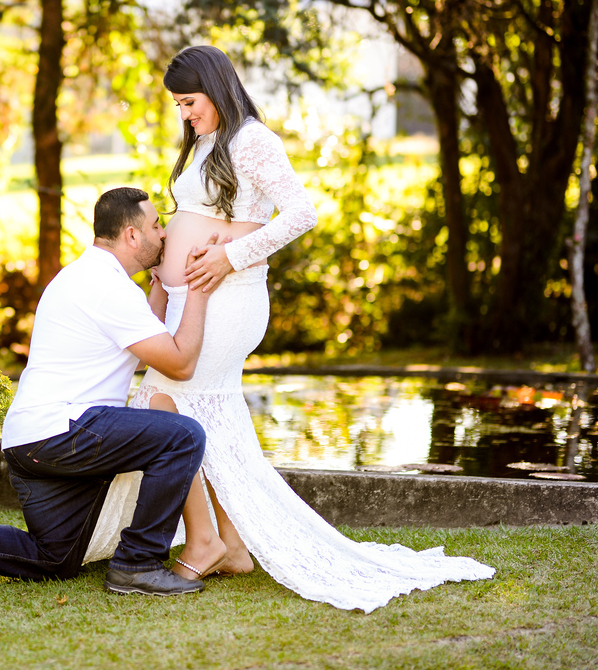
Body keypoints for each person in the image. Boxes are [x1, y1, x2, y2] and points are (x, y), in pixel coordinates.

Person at [83, 45, 495, 613]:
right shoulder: (207, 140)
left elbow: (302, 213)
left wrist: (234, 257)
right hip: (192, 295)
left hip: (227, 299)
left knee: (166, 403)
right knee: (187, 413)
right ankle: (226, 544)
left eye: (189, 102)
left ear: (215, 87)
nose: (185, 114)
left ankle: (207, 544)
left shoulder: (253, 139)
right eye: (178, 105)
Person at [0, 187, 224, 596]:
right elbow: (180, 362)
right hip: (63, 432)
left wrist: (159, 284)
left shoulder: (88, 276)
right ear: (132, 236)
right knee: (183, 436)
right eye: (157, 225)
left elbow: (143, 354)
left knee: (55, 557)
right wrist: (198, 289)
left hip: (29, 442)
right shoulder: (109, 288)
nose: (164, 234)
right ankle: (137, 562)